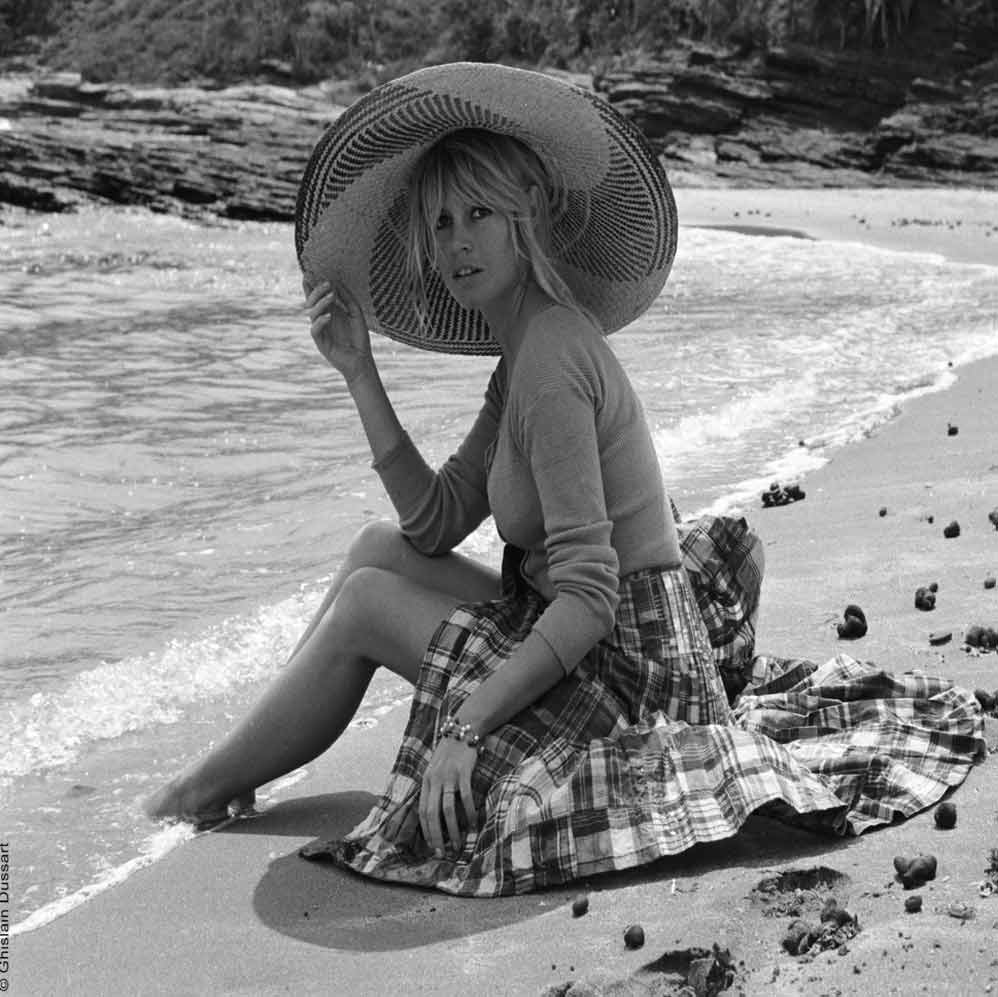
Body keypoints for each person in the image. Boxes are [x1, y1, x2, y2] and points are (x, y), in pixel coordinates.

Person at [147, 63, 983, 897]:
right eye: (440, 222)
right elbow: (432, 522)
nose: (457, 240)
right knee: (377, 548)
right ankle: (247, 751)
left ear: (528, 219)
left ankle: (201, 787)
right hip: (580, 630)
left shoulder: (549, 359)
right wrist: (361, 376)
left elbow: (589, 598)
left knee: (368, 602)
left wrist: (464, 728)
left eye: (480, 213)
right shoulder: (520, 361)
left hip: (626, 673)